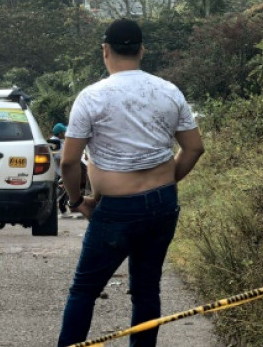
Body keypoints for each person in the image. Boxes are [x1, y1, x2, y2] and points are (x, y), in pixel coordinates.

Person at [56, 19, 205, 347]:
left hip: (117, 210)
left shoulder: (91, 97)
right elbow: (194, 148)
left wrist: (78, 201)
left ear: (105, 51)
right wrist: (165, 182)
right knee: (147, 290)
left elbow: (68, 161)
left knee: (84, 291)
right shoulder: (168, 91)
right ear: (141, 50)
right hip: (163, 204)